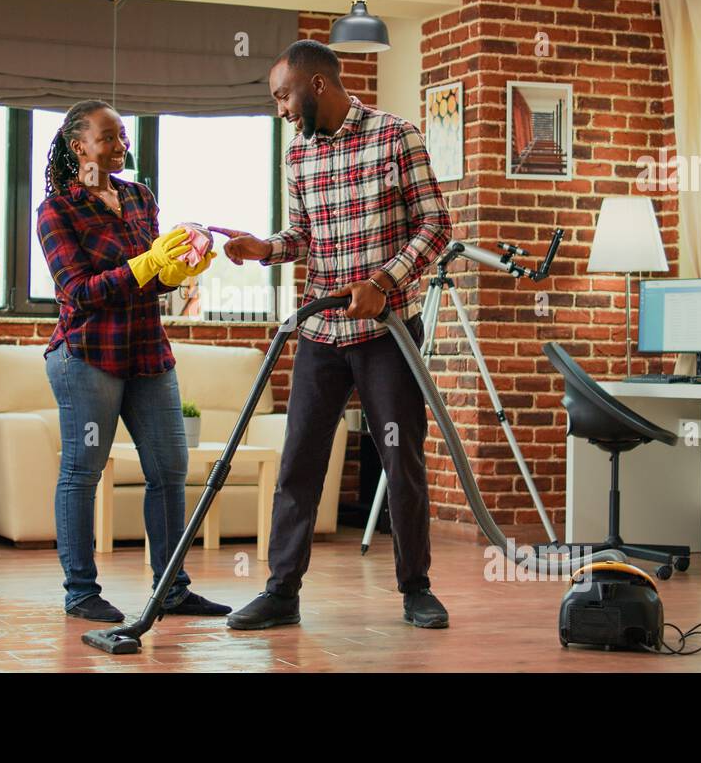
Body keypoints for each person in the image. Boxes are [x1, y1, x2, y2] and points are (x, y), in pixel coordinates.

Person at [218, 40, 451, 630]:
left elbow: (435, 224)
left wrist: (384, 281)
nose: (281, 110)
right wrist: (265, 248)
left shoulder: (396, 136)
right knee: (299, 459)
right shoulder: (298, 154)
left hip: (386, 332)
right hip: (321, 331)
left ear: (316, 84)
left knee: (400, 457)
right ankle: (281, 592)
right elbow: (302, 236)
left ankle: (416, 588)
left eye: (283, 96)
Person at [36, 99, 231, 622]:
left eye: (123, 135)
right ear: (79, 146)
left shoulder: (139, 197)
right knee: (83, 470)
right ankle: (81, 592)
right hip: (88, 356)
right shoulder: (57, 210)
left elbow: (152, 279)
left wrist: (177, 268)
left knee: (170, 468)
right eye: (109, 137)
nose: (122, 144)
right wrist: (145, 264)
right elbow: (78, 291)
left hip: (147, 352)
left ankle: (171, 589)